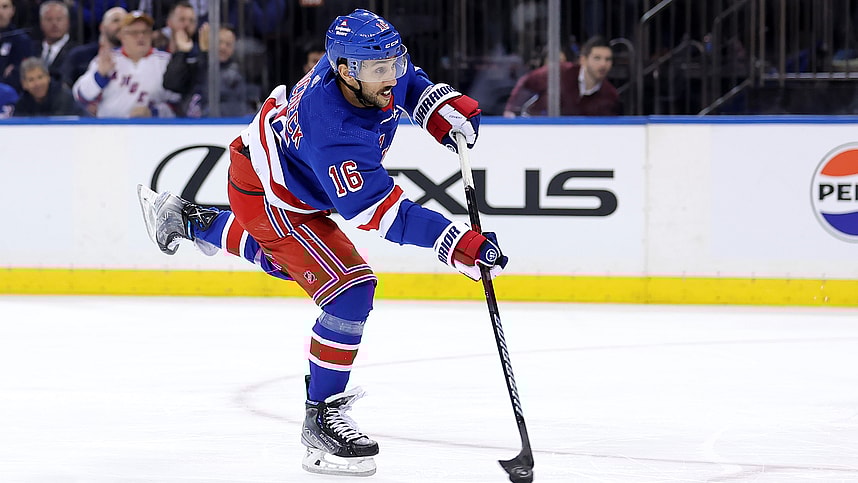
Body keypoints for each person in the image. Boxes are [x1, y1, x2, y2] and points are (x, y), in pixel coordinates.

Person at [136, 8, 506, 477]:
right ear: (345, 72)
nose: (389, 76)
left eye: (392, 62)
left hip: (276, 172)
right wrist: (454, 242)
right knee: (350, 291)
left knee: (294, 264)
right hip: (271, 195)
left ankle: (188, 221)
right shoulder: (334, 132)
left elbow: (407, 79)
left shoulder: (364, 70)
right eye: (378, 70)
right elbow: (380, 213)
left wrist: (438, 108)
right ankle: (321, 415)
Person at [73, 10, 179, 118]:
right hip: (109, 130)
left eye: (145, 32)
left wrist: (154, 112)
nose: (141, 36)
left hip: (151, 130)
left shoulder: (166, 61)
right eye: (134, 32)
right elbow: (80, 96)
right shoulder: (107, 59)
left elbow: (177, 103)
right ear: (122, 36)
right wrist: (99, 76)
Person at [503, 35, 620, 117]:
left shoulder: (610, 95)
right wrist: (512, 111)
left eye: (608, 59)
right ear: (583, 60)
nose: (603, 64)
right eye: (597, 58)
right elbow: (527, 82)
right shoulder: (560, 72)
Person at [163, 23, 256, 117]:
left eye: (228, 44)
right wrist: (182, 52)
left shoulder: (237, 74)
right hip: (191, 127)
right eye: (219, 42)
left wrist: (204, 55)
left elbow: (217, 95)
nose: (223, 47)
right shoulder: (196, 67)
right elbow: (170, 84)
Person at [60, 6, 126, 88]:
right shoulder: (79, 55)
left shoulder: (134, 59)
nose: (121, 26)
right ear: (102, 27)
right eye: (116, 20)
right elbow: (65, 88)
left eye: (125, 23)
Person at [14, 56, 86, 116]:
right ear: (24, 84)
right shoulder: (21, 104)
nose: (37, 84)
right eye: (31, 80)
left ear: (48, 77)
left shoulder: (64, 97)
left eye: (40, 77)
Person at [31, 0, 77, 83]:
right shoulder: (32, 49)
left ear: (68, 22)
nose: (54, 24)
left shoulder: (76, 51)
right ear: (41, 23)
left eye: (59, 19)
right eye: (49, 19)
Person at [0, 0, 33, 93]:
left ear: (13, 11)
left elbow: (17, 77)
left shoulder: (21, 40)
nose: (0, 12)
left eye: (5, 7)